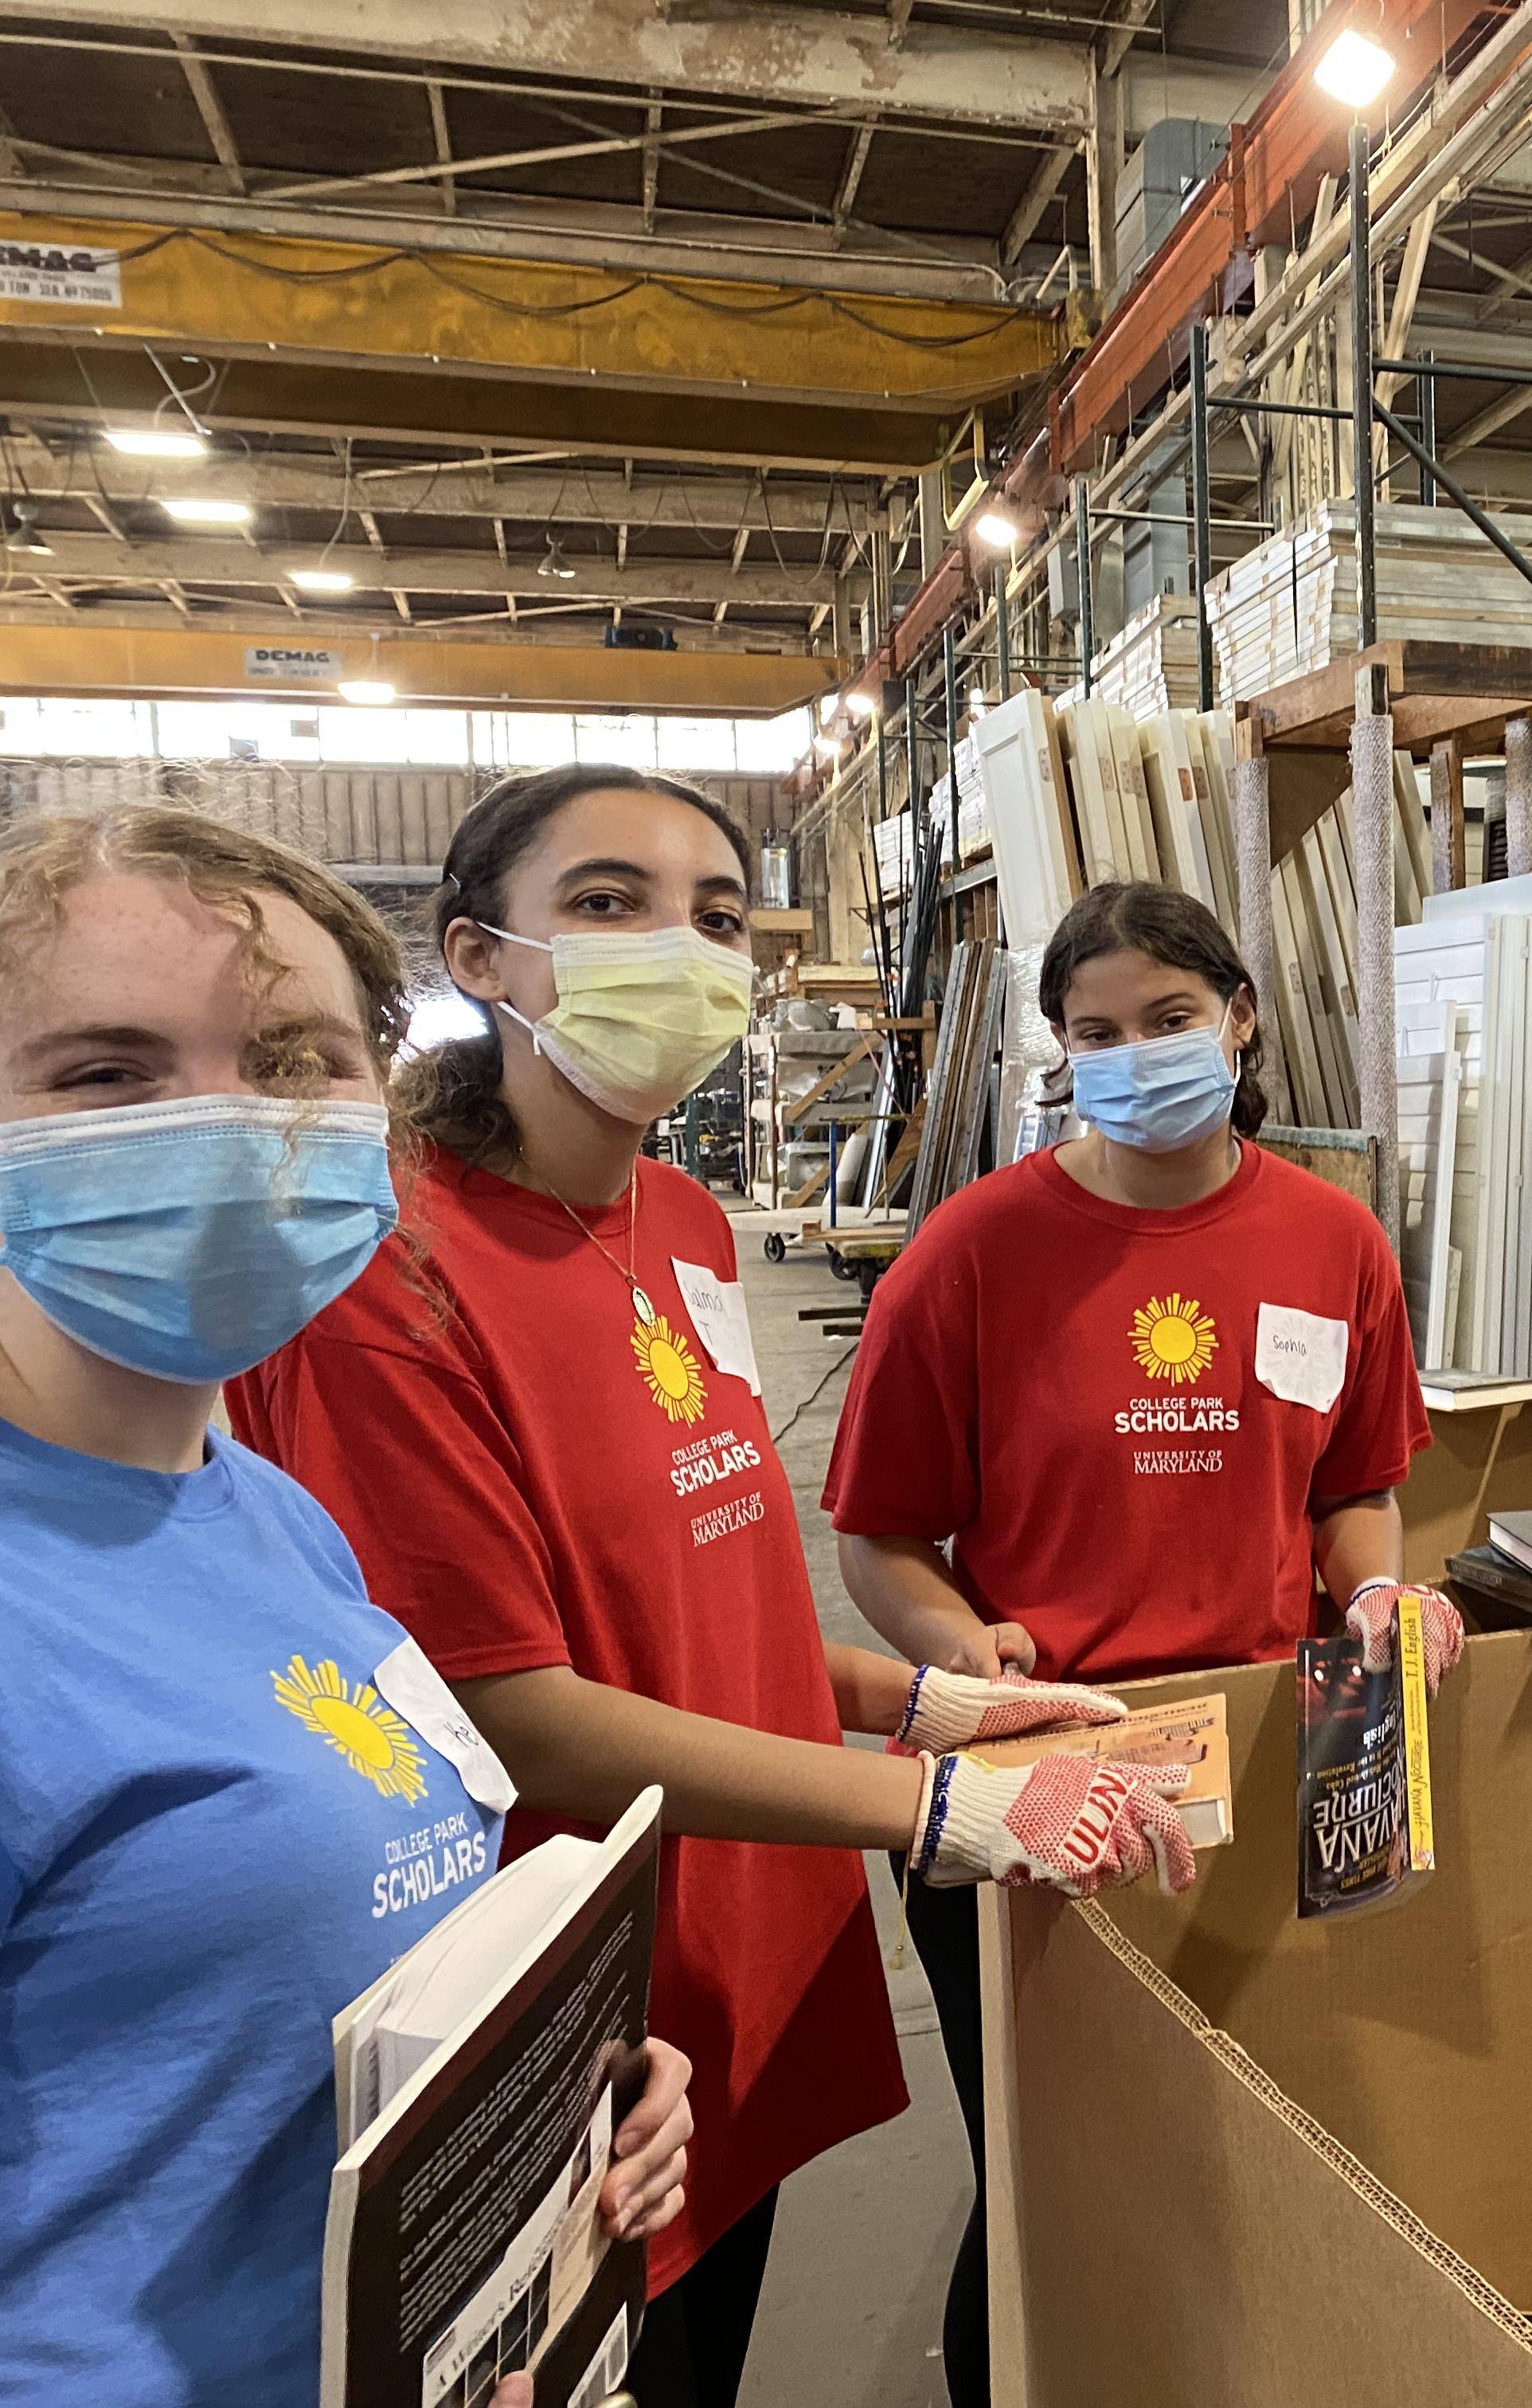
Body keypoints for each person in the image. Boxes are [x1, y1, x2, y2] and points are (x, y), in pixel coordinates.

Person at [231, 767, 1187, 2408]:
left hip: (749, 1949)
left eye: (718, 917)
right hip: (588, 2002)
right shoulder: (389, 1274)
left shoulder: (677, 1217)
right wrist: (940, 1807)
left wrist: (927, 1700)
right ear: (481, 956)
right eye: (607, 904)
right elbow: (504, 1710)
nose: (677, 947)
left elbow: (709, 1588)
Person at [0, 806, 691, 2407]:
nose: (235, 1128)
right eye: (108, 1073)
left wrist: (552, 2104)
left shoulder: (265, 1512)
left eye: (301, 1061)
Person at [824, 878, 1460, 2408]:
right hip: (1046, 1771)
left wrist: (1375, 1591)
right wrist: (964, 1651)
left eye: (1169, 1019)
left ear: (1239, 1020)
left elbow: (1353, 1486)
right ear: (1058, 1052)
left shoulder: (1332, 1240)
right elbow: (878, 1535)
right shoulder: (971, 1256)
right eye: (1094, 1031)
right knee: (1053, 2177)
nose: (1136, 1053)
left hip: (1277, 1744)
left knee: (1270, 2138)